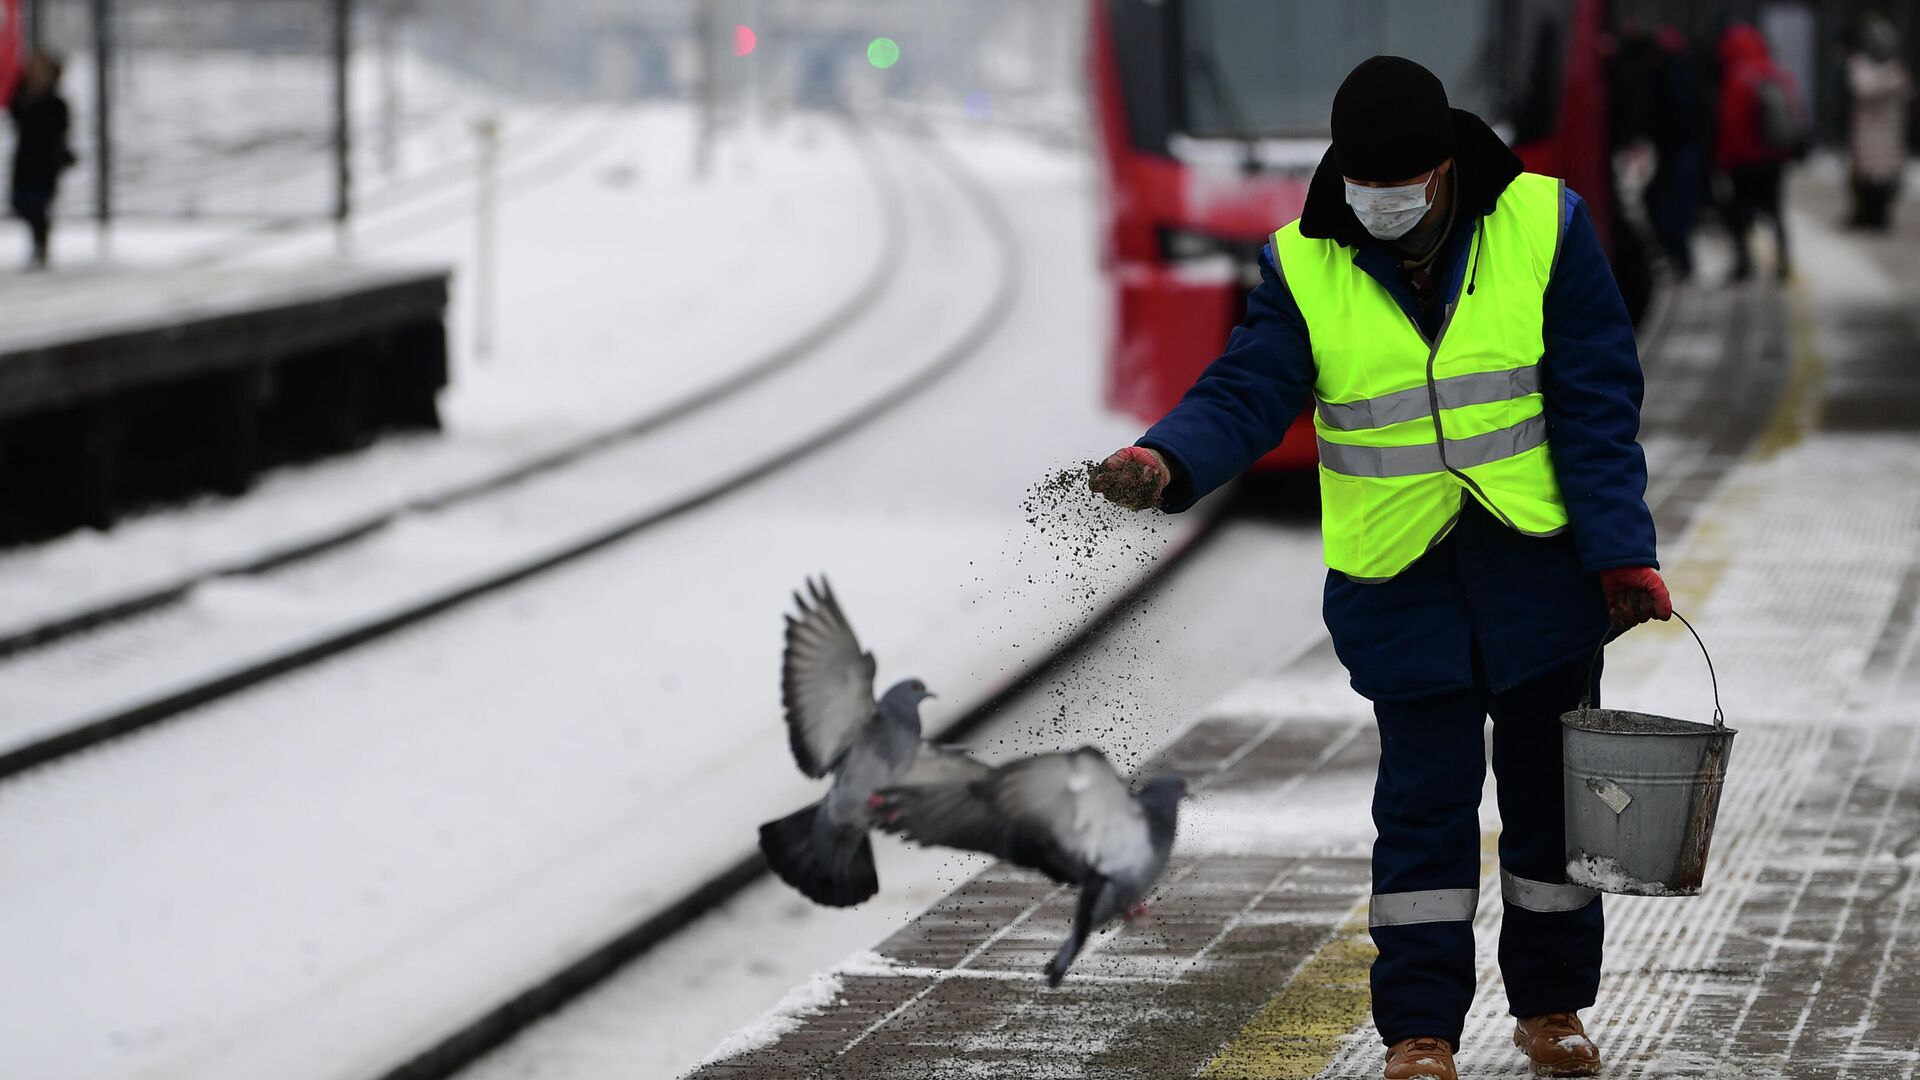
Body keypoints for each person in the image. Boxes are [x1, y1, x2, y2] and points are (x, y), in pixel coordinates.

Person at [1089, 57, 1668, 1080]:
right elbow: (1248, 388)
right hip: (1401, 582)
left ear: (1445, 168)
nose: (1379, 203)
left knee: (1554, 815)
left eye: (1400, 183)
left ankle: (1552, 1011)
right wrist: (1167, 458)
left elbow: (1594, 405)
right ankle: (1420, 1032)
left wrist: (1621, 553)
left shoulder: (1545, 225)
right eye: (1364, 182)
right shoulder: (1306, 260)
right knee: (1422, 817)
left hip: (1539, 571)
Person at [1714, 24, 1803, 281]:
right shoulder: (1776, 73)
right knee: (1775, 210)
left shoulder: (1737, 77)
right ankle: (1784, 261)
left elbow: (1731, 124)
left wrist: (1723, 159)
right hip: (1773, 159)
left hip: (1745, 161)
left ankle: (1743, 262)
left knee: (1740, 211)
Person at [7, 50, 77, 271]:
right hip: (25, 160)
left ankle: (40, 247)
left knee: (38, 205)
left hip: (45, 162)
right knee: (21, 203)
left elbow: (59, 130)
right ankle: (38, 245)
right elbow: (14, 112)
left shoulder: (56, 103)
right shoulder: (24, 98)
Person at [1845, 13, 1911, 231]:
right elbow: (1863, 88)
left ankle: (1879, 216)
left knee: (1883, 181)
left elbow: (1906, 91)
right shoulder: (1864, 68)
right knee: (1864, 180)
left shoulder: (1893, 71)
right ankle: (1865, 214)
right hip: (1868, 134)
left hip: (1887, 134)